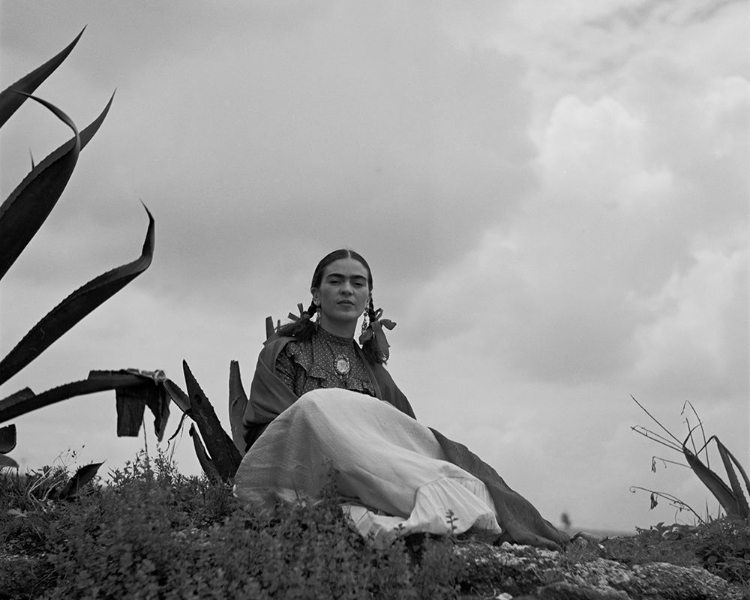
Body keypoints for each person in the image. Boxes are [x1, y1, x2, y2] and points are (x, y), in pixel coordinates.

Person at [232, 249, 568, 550]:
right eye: (336, 281)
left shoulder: (376, 374)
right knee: (314, 406)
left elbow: (402, 442)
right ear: (316, 294)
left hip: (368, 476)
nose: (347, 289)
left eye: (357, 283)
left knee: (455, 475)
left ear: (368, 297)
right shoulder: (285, 353)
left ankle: (451, 500)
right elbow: (273, 433)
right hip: (303, 471)